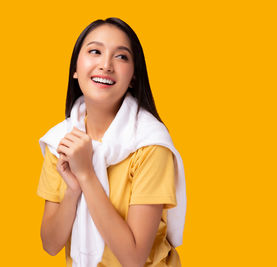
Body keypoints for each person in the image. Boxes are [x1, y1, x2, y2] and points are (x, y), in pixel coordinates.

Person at [37, 17, 186, 267]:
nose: (105, 65)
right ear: (75, 67)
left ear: (134, 76)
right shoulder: (60, 141)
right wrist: (73, 191)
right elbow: (50, 244)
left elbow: (133, 258)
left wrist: (86, 175)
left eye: (121, 57)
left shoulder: (151, 145)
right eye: (95, 51)